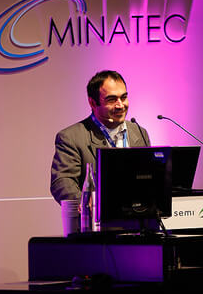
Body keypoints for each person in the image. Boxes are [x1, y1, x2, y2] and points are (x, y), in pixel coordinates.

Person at [50, 70, 151, 232]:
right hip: (95, 229)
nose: (120, 105)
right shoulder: (71, 137)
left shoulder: (139, 133)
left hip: (137, 227)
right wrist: (85, 202)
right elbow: (62, 181)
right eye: (112, 99)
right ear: (92, 102)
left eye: (123, 97)